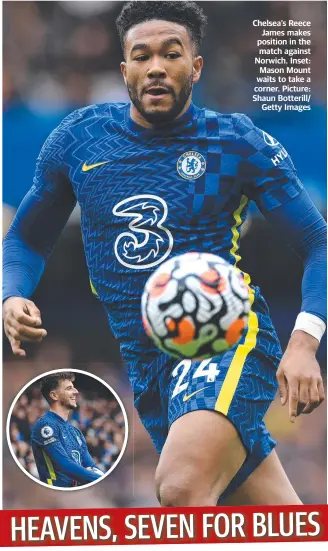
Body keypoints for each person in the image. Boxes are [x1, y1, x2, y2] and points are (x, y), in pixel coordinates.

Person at [3, 1, 326, 505]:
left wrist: (304, 342)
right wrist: (11, 294)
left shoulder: (236, 141)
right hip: (149, 367)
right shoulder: (78, 140)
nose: (156, 66)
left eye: (172, 54)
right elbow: (26, 237)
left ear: (195, 67)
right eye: (142, 55)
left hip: (228, 339)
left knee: (181, 486)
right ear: (124, 68)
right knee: (275, 524)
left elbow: (317, 241)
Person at [30, 372, 103, 487]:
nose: (76, 391)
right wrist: (101, 480)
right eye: (69, 388)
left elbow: (91, 465)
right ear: (54, 395)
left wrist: (102, 477)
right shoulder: (45, 426)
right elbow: (65, 465)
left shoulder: (76, 432)